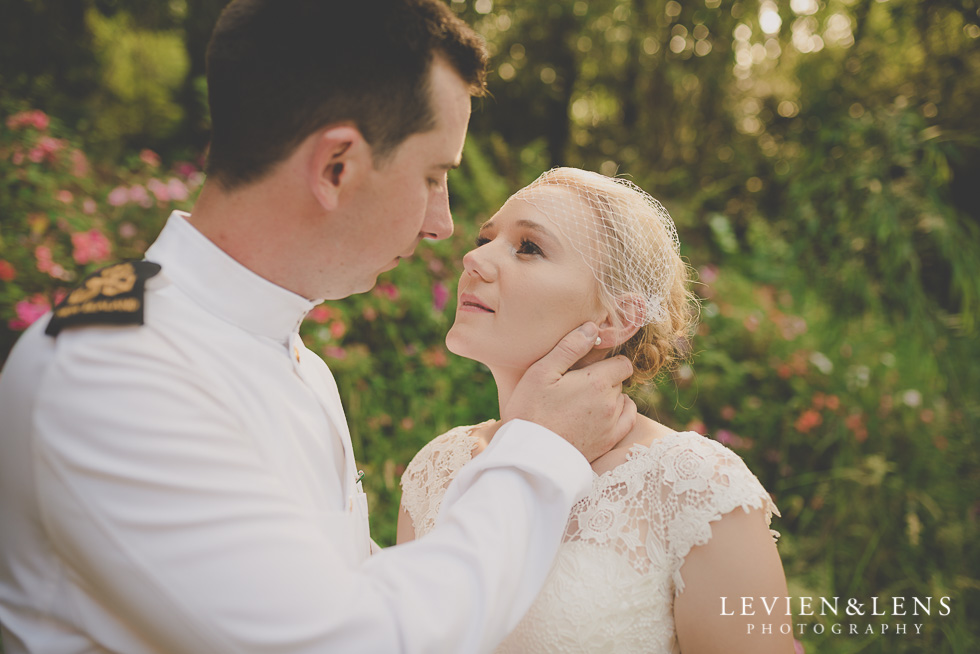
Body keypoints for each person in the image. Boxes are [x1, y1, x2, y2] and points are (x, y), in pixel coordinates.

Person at [0, 2, 639, 652]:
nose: (442, 225)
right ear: (337, 167)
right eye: (433, 177)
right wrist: (536, 449)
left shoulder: (300, 367)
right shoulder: (110, 372)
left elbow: (344, 584)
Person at [398, 168, 795, 653]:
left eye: (528, 247)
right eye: (487, 238)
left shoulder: (697, 486)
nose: (474, 257)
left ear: (615, 318)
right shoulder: (436, 468)